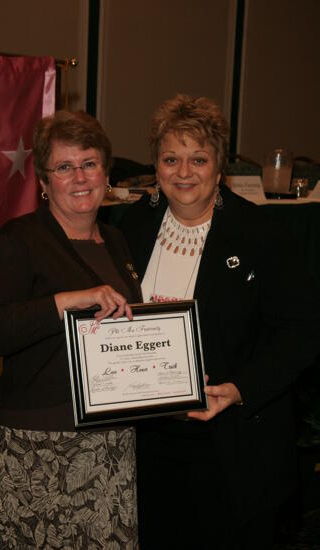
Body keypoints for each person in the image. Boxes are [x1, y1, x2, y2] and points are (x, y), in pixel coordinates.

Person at [119, 94, 320, 549]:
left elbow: (303, 331)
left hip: (234, 449)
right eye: (171, 158)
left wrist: (240, 387)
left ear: (219, 166)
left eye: (198, 158)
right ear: (156, 164)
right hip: (149, 446)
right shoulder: (133, 224)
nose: (184, 172)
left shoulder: (262, 234)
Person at [0, 110, 142, 549]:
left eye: (90, 163)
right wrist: (65, 302)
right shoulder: (18, 240)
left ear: (106, 172)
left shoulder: (116, 242)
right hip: (38, 450)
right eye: (64, 167)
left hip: (110, 446)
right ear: (44, 182)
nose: (79, 177)